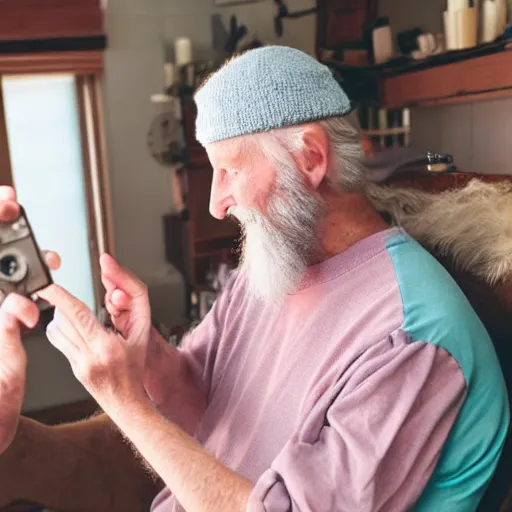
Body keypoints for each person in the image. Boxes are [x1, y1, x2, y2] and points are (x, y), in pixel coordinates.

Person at [0, 46, 509, 512]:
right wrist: (148, 357)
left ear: (310, 158)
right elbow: (204, 398)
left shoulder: (414, 339)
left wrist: (124, 402)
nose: (215, 204)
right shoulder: (273, 269)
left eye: (229, 171)